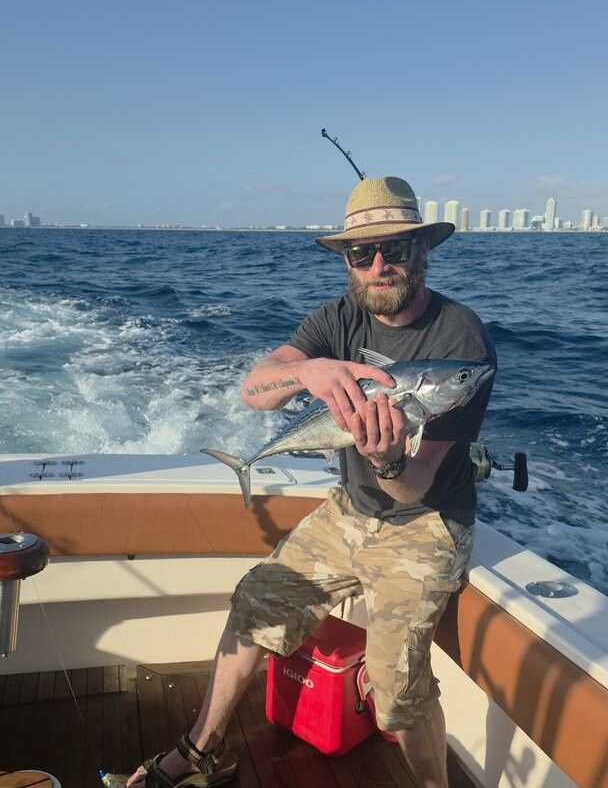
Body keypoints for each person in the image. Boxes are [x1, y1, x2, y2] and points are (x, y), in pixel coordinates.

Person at [127, 176, 496, 788]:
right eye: (362, 253)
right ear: (348, 261)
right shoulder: (337, 318)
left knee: (395, 680)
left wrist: (387, 462)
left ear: (423, 251)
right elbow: (255, 389)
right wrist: (311, 372)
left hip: (426, 521)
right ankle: (200, 754)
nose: (379, 267)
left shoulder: (459, 341)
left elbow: (419, 483)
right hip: (348, 511)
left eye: (396, 249)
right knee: (254, 603)